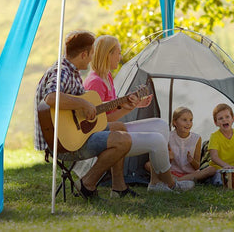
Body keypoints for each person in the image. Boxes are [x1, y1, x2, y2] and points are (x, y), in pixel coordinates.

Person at [83, 35, 195, 193]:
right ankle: (171, 184)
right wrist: (128, 109)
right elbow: (100, 121)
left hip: (113, 129)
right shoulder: (95, 82)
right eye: (118, 53)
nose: (120, 57)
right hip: (103, 136)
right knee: (156, 140)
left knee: (161, 125)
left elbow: (111, 110)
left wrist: (135, 104)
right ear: (108, 54)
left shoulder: (107, 76)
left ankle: (155, 183)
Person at [34, 30, 133, 200]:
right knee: (124, 140)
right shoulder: (62, 72)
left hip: (74, 134)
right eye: (91, 55)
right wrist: (83, 103)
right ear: (83, 54)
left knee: (120, 127)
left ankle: (118, 187)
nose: (91, 59)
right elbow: (51, 97)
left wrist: (121, 105)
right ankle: (87, 183)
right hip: (64, 143)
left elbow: (90, 108)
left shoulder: (73, 73)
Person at [168, 107, 216, 182]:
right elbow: (165, 165)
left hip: (190, 174)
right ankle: (179, 180)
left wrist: (191, 161)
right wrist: (169, 158)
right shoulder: (168, 137)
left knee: (212, 169)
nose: (188, 123)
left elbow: (197, 167)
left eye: (191, 120)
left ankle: (177, 181)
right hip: (172, 173)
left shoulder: (196, 138)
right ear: (174, 122)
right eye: (184, 120)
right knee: (148, 165)